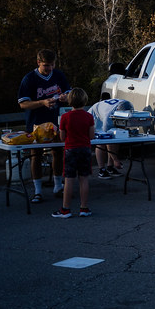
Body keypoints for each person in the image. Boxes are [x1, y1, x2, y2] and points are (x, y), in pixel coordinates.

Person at [18, 48, 70, 203]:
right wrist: (42, 102)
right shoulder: (29, 79)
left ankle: (58, 186)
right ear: (38, 62)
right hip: (35, 124)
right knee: (36, 155)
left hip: (55, 122)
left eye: (52, 65)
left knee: (58, 152)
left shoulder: (59, 75)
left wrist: (64, 97)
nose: (50, 69)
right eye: (46, 65)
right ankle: (38, 191)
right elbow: (23, 104)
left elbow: (70, 95)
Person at [52, 88, 95, 218]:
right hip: (85, 149)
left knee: (69, 180)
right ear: (85, 100)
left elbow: (62, 138)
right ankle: (84, 208)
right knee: (84, 179)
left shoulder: (65, 117)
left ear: (69, 101)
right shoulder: (89, 116)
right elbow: (91, 136)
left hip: (71, 150)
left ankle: (66, 209)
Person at [88, 98, 128, 179]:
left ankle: (110, 167)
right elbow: (108, 140)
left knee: (117, 137)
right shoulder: (108, 117)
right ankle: (101, 170)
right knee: (101, 141)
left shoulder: (128, 106)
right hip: (96, 115)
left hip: (105, 109)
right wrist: (116, 159)